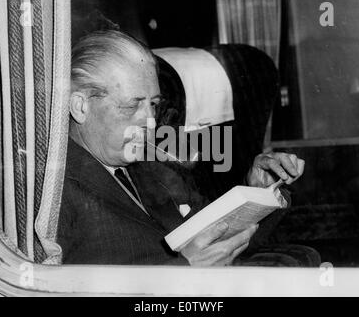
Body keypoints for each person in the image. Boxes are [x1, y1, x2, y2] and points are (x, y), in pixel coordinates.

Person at [57, 29, 319, 266]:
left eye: (154, 104)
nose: (149, 122)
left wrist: (256, 191)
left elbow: (213, 232)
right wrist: (184, 272)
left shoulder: (152, 164)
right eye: (131, 106)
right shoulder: (55, 194)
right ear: (80, 106)